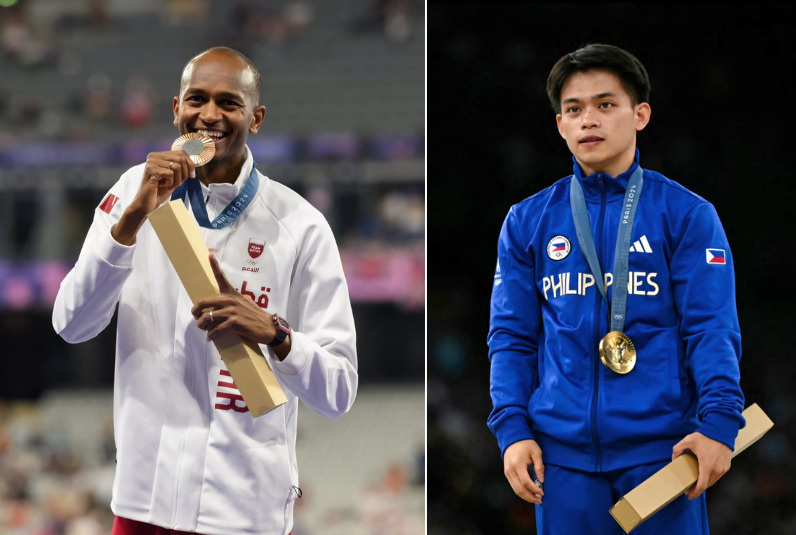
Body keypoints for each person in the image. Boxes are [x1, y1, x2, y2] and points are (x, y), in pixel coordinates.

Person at [52, 46, 358, 535]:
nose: (209, 115)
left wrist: (277, 335)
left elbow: (339, 390)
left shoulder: (301, 226)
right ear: (176, 109)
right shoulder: (134, 190)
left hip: (241, 509)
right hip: (142, 503)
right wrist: (129, 224)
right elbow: (70, 324)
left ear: (255, 118)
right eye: (196, 99)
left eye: (229, 103)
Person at [486, 43, 744, 534]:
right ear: (559, 124)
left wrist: (718, 424)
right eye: (574, 109)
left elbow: (711, 328)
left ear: (639, 114)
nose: (589, 121)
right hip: (560, 465)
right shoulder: (526, 222)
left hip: (664, 456)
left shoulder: (687, 215)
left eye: (606, 105)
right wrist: (512, 430)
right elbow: (511, 337)